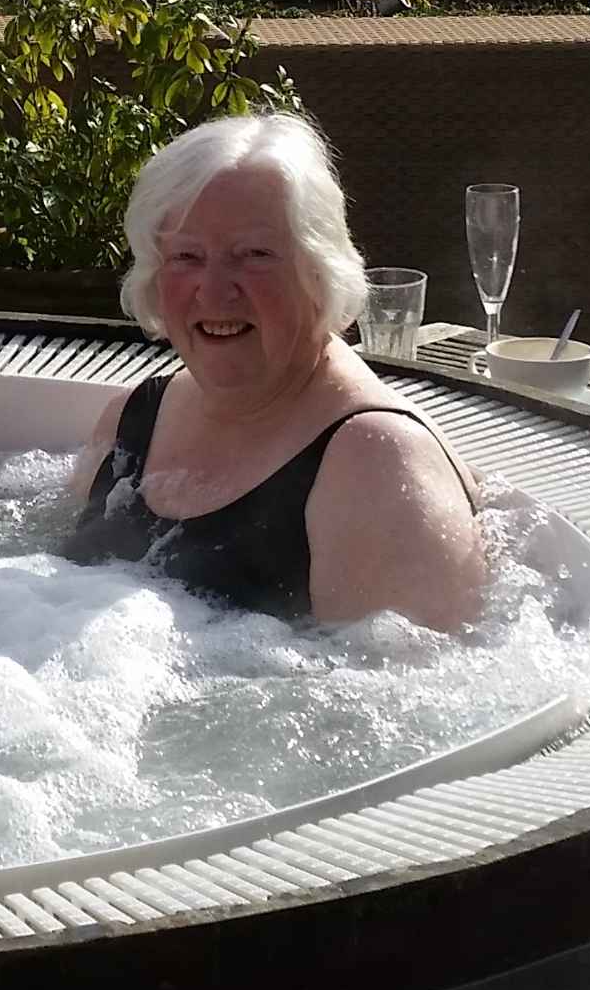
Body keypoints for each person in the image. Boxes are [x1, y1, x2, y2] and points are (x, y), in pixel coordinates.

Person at [64, 112, 486, 631]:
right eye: (187, 255)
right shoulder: (132, 418)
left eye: (254, 255)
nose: (215, 291)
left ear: (320, 271)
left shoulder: (376, 464)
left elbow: (401, 697)